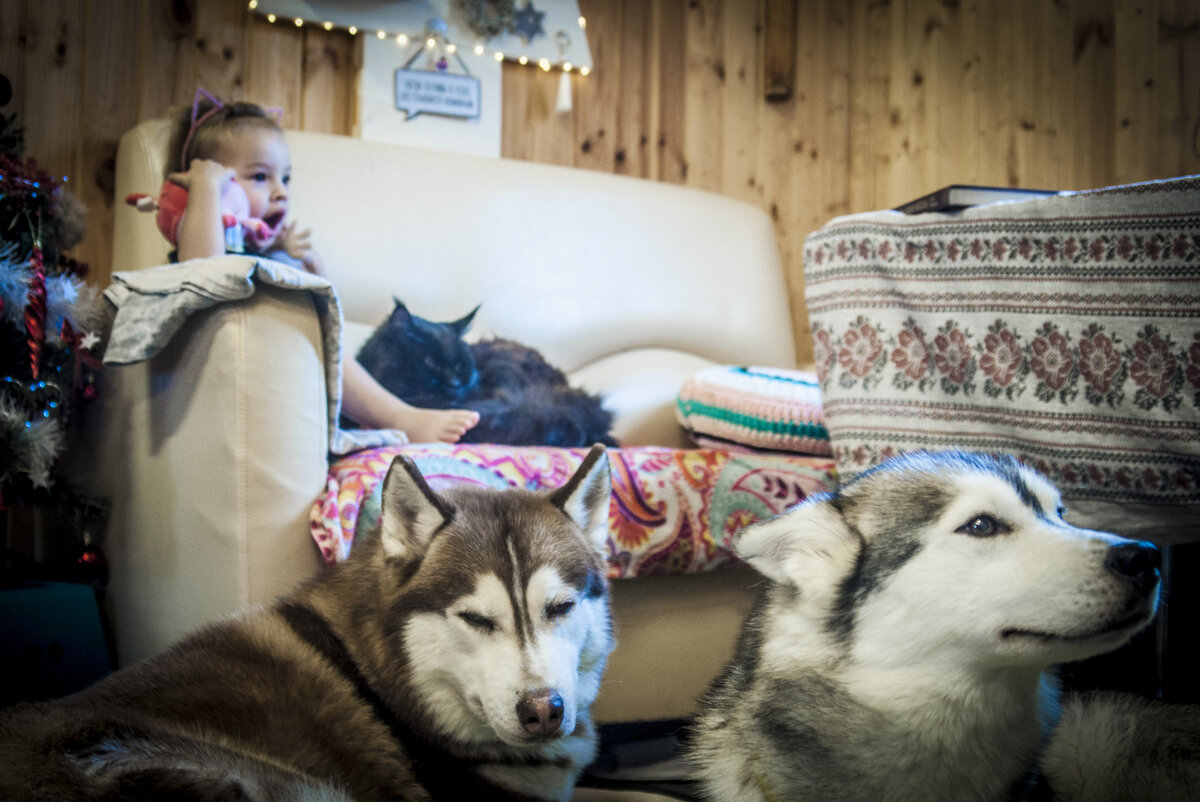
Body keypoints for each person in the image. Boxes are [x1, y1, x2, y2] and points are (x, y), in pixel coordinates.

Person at [164, 90, 479, 444]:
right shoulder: (200, 233)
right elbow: (201, 271)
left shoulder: (264, 253)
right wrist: (205, 189)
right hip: (221, 362)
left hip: (279, 368)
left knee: (326, 340)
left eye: (285, 179)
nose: (280, 192)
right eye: (260, 177)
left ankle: (394, 416)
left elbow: (327, 317)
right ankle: (396, 416)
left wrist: (310, 272)